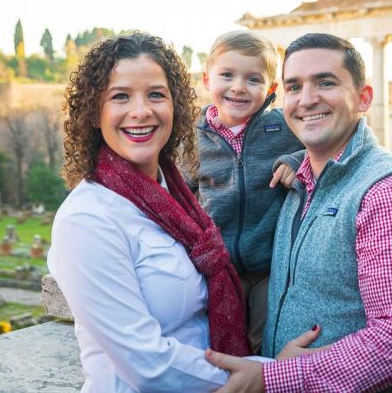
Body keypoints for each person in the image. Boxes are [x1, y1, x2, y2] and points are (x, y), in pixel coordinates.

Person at [206, 33, 392, 392]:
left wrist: (272, 377)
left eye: (325, 82)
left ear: (364, 97)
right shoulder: (297, 185)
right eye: (294, 87)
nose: (307, 100)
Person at [47, 32, 251, 392]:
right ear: (95, 113)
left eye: (156, 94)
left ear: (175, 107)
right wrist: (270, 374)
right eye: (120, 97)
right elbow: (149, 365)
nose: (141, 111)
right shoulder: (86, 220)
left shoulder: (177, 199)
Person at [188, 30, 304, 351]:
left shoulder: (283, 127)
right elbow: (180, 192)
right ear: (207, 80)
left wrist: (297, 160)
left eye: (253, 79)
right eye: (227, 75)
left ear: (271, 89)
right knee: (223, 338)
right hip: (220, 265)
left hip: (271, 265)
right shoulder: (193, 137)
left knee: (265, 341)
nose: (238, 86)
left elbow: (325, 146)